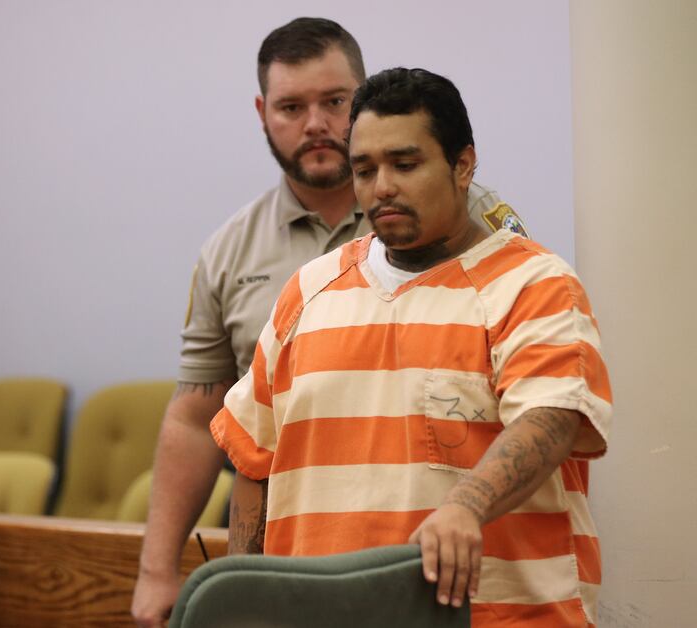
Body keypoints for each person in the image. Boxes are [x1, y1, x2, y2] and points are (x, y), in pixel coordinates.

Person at [132, 17, 524, 627]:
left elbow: (535, 386)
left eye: (334, 101)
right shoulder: (229, 251)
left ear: (363, 98)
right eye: (291, 105)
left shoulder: (467, 219)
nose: (315, 123)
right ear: (263, 112)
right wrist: (157, 571)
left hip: (442, 566)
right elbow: (194, 418)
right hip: (301, 562)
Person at [210, 67, 611, 627]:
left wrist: (466, 506)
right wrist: (244, 598)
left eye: (405, 164)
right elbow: (254, 459)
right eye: (364, 170)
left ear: (463, 165)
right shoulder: (308, 290)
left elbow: (552, 419)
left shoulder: (533, 284)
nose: (382, 187)